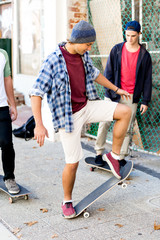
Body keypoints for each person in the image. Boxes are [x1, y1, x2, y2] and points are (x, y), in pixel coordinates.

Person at [30, 20, 132, 218]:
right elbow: (36, 92)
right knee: (73, 162)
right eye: (88, 44)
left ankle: (114, 156)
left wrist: (116, 89)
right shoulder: (53, 60)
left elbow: (95, 75)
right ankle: (67, 200)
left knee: (125, 112)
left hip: (87, 105)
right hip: (69, 117)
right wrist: (39, 125)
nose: (90, 48)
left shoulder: (83, 55)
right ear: (77, 40)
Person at [95, 20, 152, 167]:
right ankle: (98, 153)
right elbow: (107, 73)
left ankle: (119, 157)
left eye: (133, 36)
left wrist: (145, 101)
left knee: (127, 129)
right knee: (104, 123)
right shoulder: (117, 50)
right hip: (113, 94)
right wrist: (109, 92)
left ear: (139, 34)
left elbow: (147, 79)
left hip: (131, 96)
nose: (130, 38)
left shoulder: (145, 55)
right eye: (127, 35)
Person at [0, 48, 20, 194]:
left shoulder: (3, 54)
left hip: (1, 106)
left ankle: (9, 178)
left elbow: (7, 79)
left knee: (7, 143)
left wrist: (12, 104)